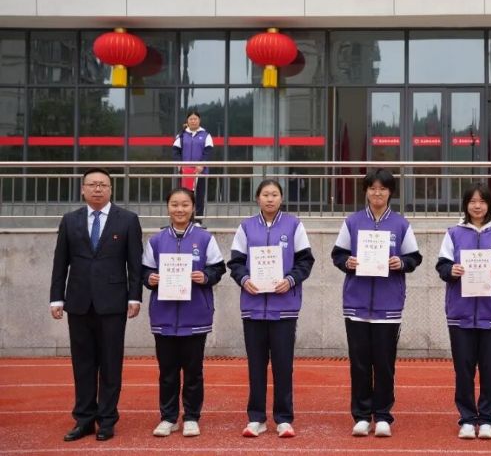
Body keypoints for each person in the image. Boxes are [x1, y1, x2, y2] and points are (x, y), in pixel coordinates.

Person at [49, 167, 143, 442]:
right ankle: (84, 419)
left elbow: (134, 263)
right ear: (83, 189)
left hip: (113, 303)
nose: (98, 189)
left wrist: (134, 296)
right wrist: (56, 297)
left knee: (111, 364)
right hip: (78, 302)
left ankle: (107, 419)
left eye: (103, 184)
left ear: (111, 189)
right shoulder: (70, 220)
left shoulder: (128, 220)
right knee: (83, 364)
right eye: (92, 184)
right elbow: (60, 262)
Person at [331, 168, 423, 438]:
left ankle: (382, 415)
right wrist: (348, 262)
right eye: (372, 188)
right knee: (359, 363)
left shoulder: (401, 224)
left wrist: (400, 263)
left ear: (390, 192)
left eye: (383, 189)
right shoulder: (352, 222)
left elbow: (414, 258)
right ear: (366, 191)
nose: (377, 193)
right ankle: (361, 416)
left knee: (384, 363)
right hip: (356, 304)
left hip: (389, 305)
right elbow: (338, 255)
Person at [227, 179, 315, 439]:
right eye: (265, 194)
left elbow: (305, 261)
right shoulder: (246, 227)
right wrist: (244, 280)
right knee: (256, 366)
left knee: (283, 366)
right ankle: (256, 418)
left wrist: (290, 280)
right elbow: (236, 262)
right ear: (258, 198)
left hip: (284, 308)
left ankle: (284, 419)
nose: (270, 199)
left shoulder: (294, 225)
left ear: (281, 198)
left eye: (274, 194)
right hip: (253, 308)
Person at [435, 182, 491, 440]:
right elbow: (442, 266)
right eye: (472, 201)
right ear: (465, 205)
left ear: (489, 204)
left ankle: (488, 419)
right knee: (464, 370)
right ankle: (467, 419)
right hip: (460, 313)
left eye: (482, 201)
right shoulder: (453, 233)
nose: (477, 206)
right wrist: (452, 270)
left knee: (490, 370)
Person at [142, 188, 226, 438]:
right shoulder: (156, 240)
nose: (180, 209)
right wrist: (150, 278)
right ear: (168, 207)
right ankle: (168, 417)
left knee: (193, 372)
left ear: (193, 208)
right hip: (164, 316)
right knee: (167, 372)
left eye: (185, 204)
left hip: (195, 315)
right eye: (175, 204)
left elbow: (218, 268)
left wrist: (205, 276)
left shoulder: (205, 238)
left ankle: (191, 416)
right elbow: (144, 271)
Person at [173, 110, 213, 218]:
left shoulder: (206, 135)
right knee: (185, 196)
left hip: (200, 171)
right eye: (191, 119)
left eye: (195, 119)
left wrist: (201, 165)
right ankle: (186, 218)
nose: (193, 121)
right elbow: (176, 152)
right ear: (187, 121)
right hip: (185, 172)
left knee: (199, 196)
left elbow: (208, 152)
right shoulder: (181, 135)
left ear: (199, 120)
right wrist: (180, 165)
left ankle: (198, 219)